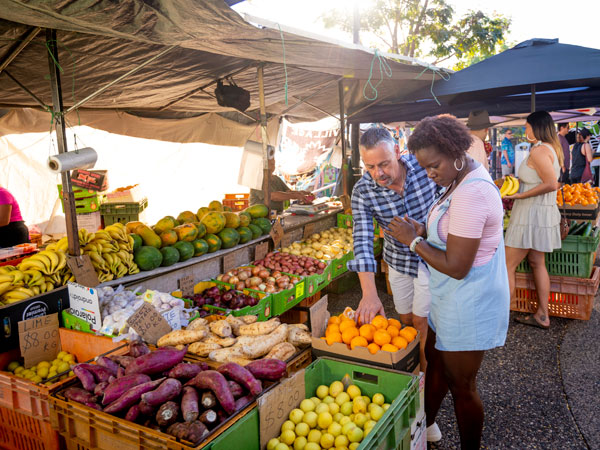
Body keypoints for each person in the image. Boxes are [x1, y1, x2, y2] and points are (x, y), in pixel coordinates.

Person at [386, 115, 508, 449]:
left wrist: (413, 241)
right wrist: (426, 230)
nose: (429, 174)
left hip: (468, 300)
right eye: (424, 167)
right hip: (450, 297)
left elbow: (456, 265)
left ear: (455, 151)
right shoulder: (458, 178)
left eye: (433, 165)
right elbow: (452, 230)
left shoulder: (472, 193)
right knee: (434, 358)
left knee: (462, 384)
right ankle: (425, 425)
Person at [348, 127, 437, 371]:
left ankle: (425, 380)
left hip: (431, 257)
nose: (379, 173)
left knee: (422, 321)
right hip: (397, 260)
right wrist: (369, 293)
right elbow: (362, 240)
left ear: (398, 151)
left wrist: (427, 231)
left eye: (384, 164)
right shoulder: (362, 191)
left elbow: (448, 202)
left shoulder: (423, 167)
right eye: (370, 167)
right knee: (405, 321)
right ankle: (413, 365)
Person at [505, 111, 563, 329]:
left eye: (527, 127)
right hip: (541, 212)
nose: (526, 130)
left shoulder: (539, 151)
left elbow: (551, 183)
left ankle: (501, 317)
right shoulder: (551, 148)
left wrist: (519, 195)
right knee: (538, 263)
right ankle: (542, 314)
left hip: (530, 213)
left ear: (536, 127)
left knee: (506, 265)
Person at [249, 157, 314, 212]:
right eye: (270, 163)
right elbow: (273, 196)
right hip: (260, 218)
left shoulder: (276, 178)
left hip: (276, 214)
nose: (273, 166)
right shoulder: (258, 180)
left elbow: (288, 192)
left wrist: (303, 193)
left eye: (273, 163)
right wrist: (295, 196)